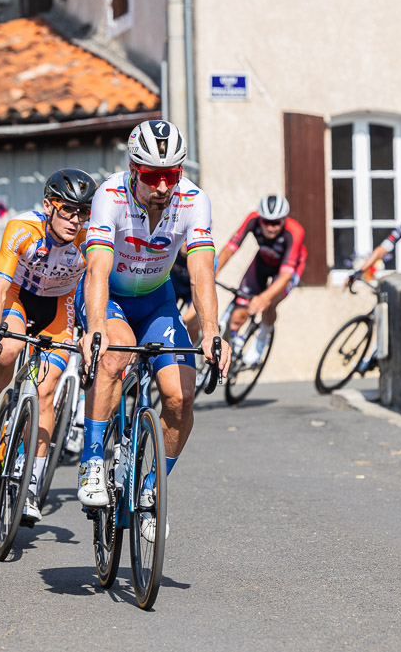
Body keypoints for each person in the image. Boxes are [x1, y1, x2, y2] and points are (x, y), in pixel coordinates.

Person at [76, 119, 232, 534]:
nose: (163, 186)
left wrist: (213, 331)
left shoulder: (194, 201)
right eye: (152, 176)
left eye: (171, 175)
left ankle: (150, 487)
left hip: (157, 302)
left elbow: (201, 273)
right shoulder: (109, 196)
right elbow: (96, 268)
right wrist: (95, 327)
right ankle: (92, 459)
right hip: (108, 295)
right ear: (133, 170)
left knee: (181, 399)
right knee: (114, 355)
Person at [0, 168, 97, 526]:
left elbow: (97, 287)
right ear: (48, 205)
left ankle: (32, 479)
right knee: (5, 353)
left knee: (46, 390)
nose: (75, 219)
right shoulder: (22, 230)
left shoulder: (90, 239)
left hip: (58, 307)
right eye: (67, 209)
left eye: (83, 211)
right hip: (18, 298)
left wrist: (91, 331)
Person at [215, 194, 306, 365]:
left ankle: (262, 338)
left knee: (268, 304)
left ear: (284, 220)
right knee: (240, 308)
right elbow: (230, 248)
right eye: (267, 222)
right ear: (260, 219)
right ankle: (236, 339)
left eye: (277, 222)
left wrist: (263, 298)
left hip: (288, 270)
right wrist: (213, 272)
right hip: (263, 261)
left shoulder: (294, 231)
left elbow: (286, 275)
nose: (271, 228)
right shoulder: (252, 219)